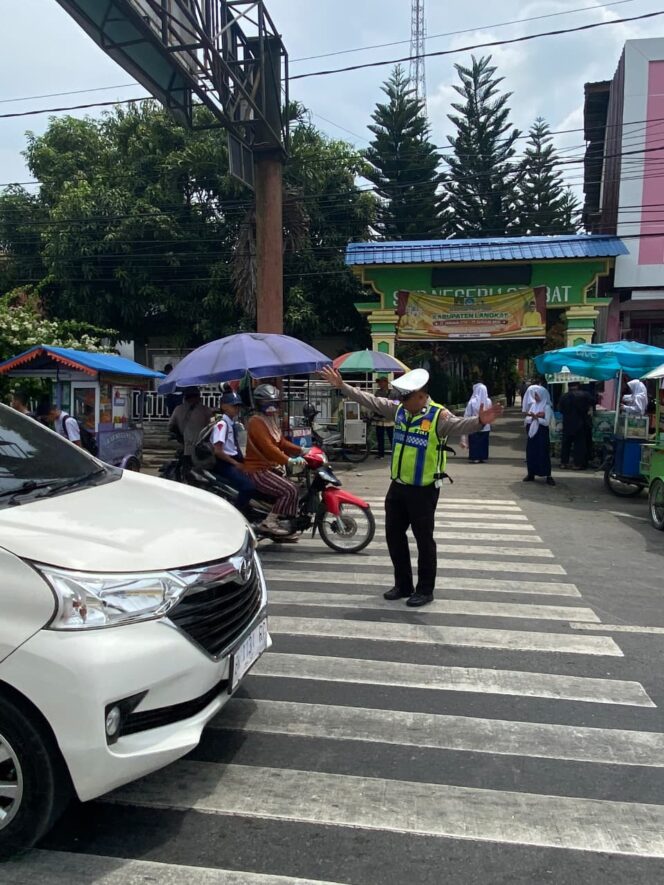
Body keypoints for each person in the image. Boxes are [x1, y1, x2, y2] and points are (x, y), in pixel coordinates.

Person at [321, 365, 504, 607]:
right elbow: (372, 400)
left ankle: (425, 590)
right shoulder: (400, 411)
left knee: (423, 540)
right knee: (394, 536)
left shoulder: (439, 416)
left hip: (424, 490)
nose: (402, 402)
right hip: (397, 487)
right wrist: (342, 386)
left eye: (406, 398)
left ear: (421, 395)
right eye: (401, 398)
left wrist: (480, 421)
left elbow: (461, 425)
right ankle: (403, 584)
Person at [243, 383, 305, 538]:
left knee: (296, 488)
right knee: (290, 490)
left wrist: (302, 450)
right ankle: (269, 522)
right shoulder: (256, 421)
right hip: (257, 470)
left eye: (274, 402)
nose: (272, 406)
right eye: (268, 403)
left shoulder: (271, 420)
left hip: (270, 467)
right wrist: (288, 460)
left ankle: (285, 525)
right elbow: (268, 447)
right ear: (260, 403)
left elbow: (281, 442)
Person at [208, 390, 256, 514]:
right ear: (224, 406)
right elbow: (218, 451)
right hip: (225, 463)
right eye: (234, 406)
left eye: (238, 406)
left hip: (235, 460)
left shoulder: (233, 424)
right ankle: (238, 513)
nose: (237, 409)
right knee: (248, 487)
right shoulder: (222, 425)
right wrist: (235, 463)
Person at [168, 387, 214, 460]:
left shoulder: (178, 409)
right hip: (202, 450)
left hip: (186, 447)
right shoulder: (206, 410)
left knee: (186, 467)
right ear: (198, 396)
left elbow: (171, 426)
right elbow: (212, 425)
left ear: (185, 397)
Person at [522, 385, 555, 485]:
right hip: (533, 433)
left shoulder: (547, 407)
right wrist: (533, 417)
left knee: (543, 453)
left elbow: (546, 422)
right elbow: (527, 419)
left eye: (537, 395)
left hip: (542, 433)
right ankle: (531, 473)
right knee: (531, 453)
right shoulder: (534, 405)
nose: (535, 397)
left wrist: (536, 418)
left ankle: (547, 475)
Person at [558, 382, 593, 470]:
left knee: (566, 444)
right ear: (578, 386)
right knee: (579, 445)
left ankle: (564, 463)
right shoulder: (585, 395)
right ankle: (577, 464)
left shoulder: (564, 397)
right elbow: (593, 402)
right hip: (580, 424)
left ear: (569, 386)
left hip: (567, 423)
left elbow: (560, 409)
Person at [462, 382, 492, 463]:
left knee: (474, 441)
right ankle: (483, 457)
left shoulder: (472, 401)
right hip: (486, 425)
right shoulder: (488, 401)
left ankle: (475, 457)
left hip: (474, 424)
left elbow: (467, 414)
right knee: (483, 442)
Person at [373, 374, 396, 459]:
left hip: (389, 419)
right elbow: (375, 403)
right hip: (379, 418)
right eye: (379, 382)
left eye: (381, 382)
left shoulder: (393, 392)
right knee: (380, 437)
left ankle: (395, 454)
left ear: (386, 382)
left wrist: (391, 403)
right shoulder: (377, 392)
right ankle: (380, 454)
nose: (380, 384)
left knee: (392, 437)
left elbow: (397, 402)